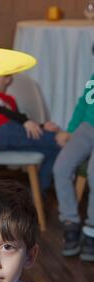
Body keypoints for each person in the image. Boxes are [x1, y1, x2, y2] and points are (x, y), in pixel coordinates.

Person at [0, 75, 62, 193]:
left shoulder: (10, 100)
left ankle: (37, 193)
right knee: (56, 140)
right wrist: (25, 121)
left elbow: (20, 126)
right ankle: (62, 139)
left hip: (10, 135)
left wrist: (41, 126)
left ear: (8, 79)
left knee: (52, 149)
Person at [53, 74, 94, 261]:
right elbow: (83, 105)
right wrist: (70, 130)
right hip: (87, 127)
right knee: (61, 167)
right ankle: (71, 222)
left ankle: (91, 229)